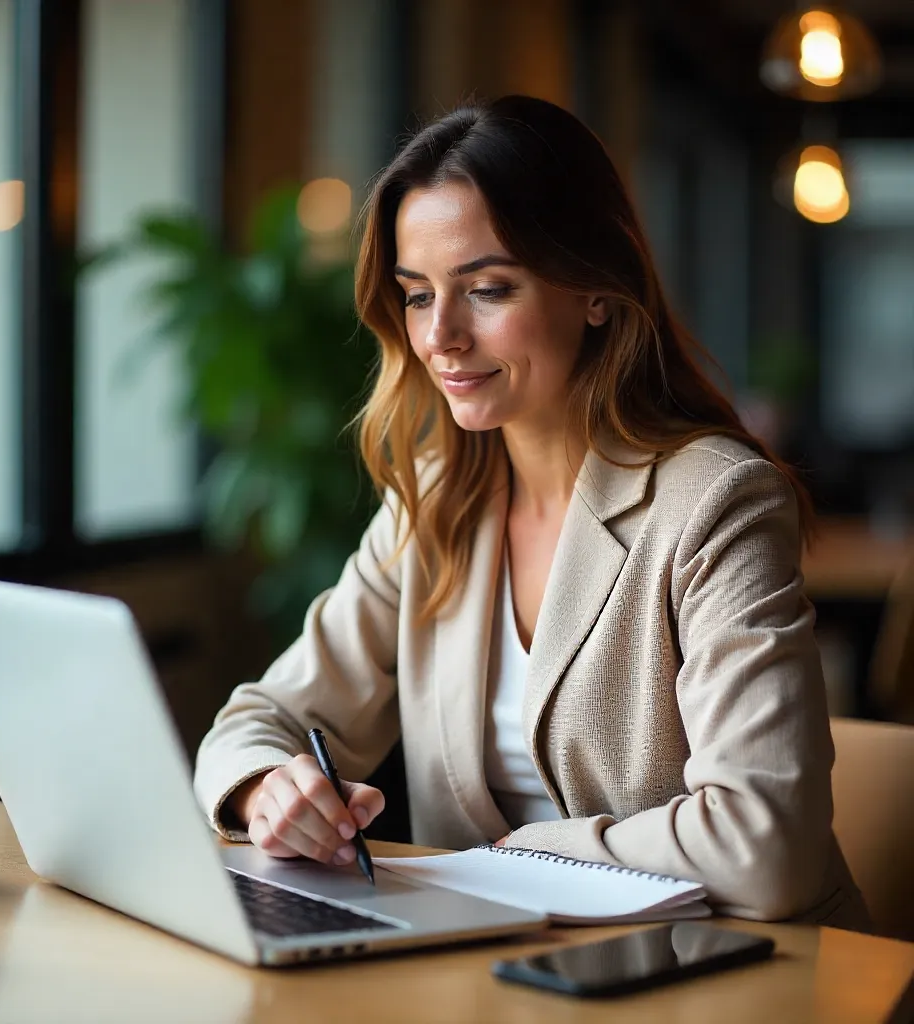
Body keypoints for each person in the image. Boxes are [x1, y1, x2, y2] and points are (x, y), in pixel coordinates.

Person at [194, 95, 869, 928]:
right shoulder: (438, 500)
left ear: (593, 289)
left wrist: (518, 855)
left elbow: (767, 852)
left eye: (486, 289)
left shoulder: (715, 501)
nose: (439, 335)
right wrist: (269, 787)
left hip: (728, 977)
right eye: (415, 295)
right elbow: (262, 717)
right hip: (506, 978)